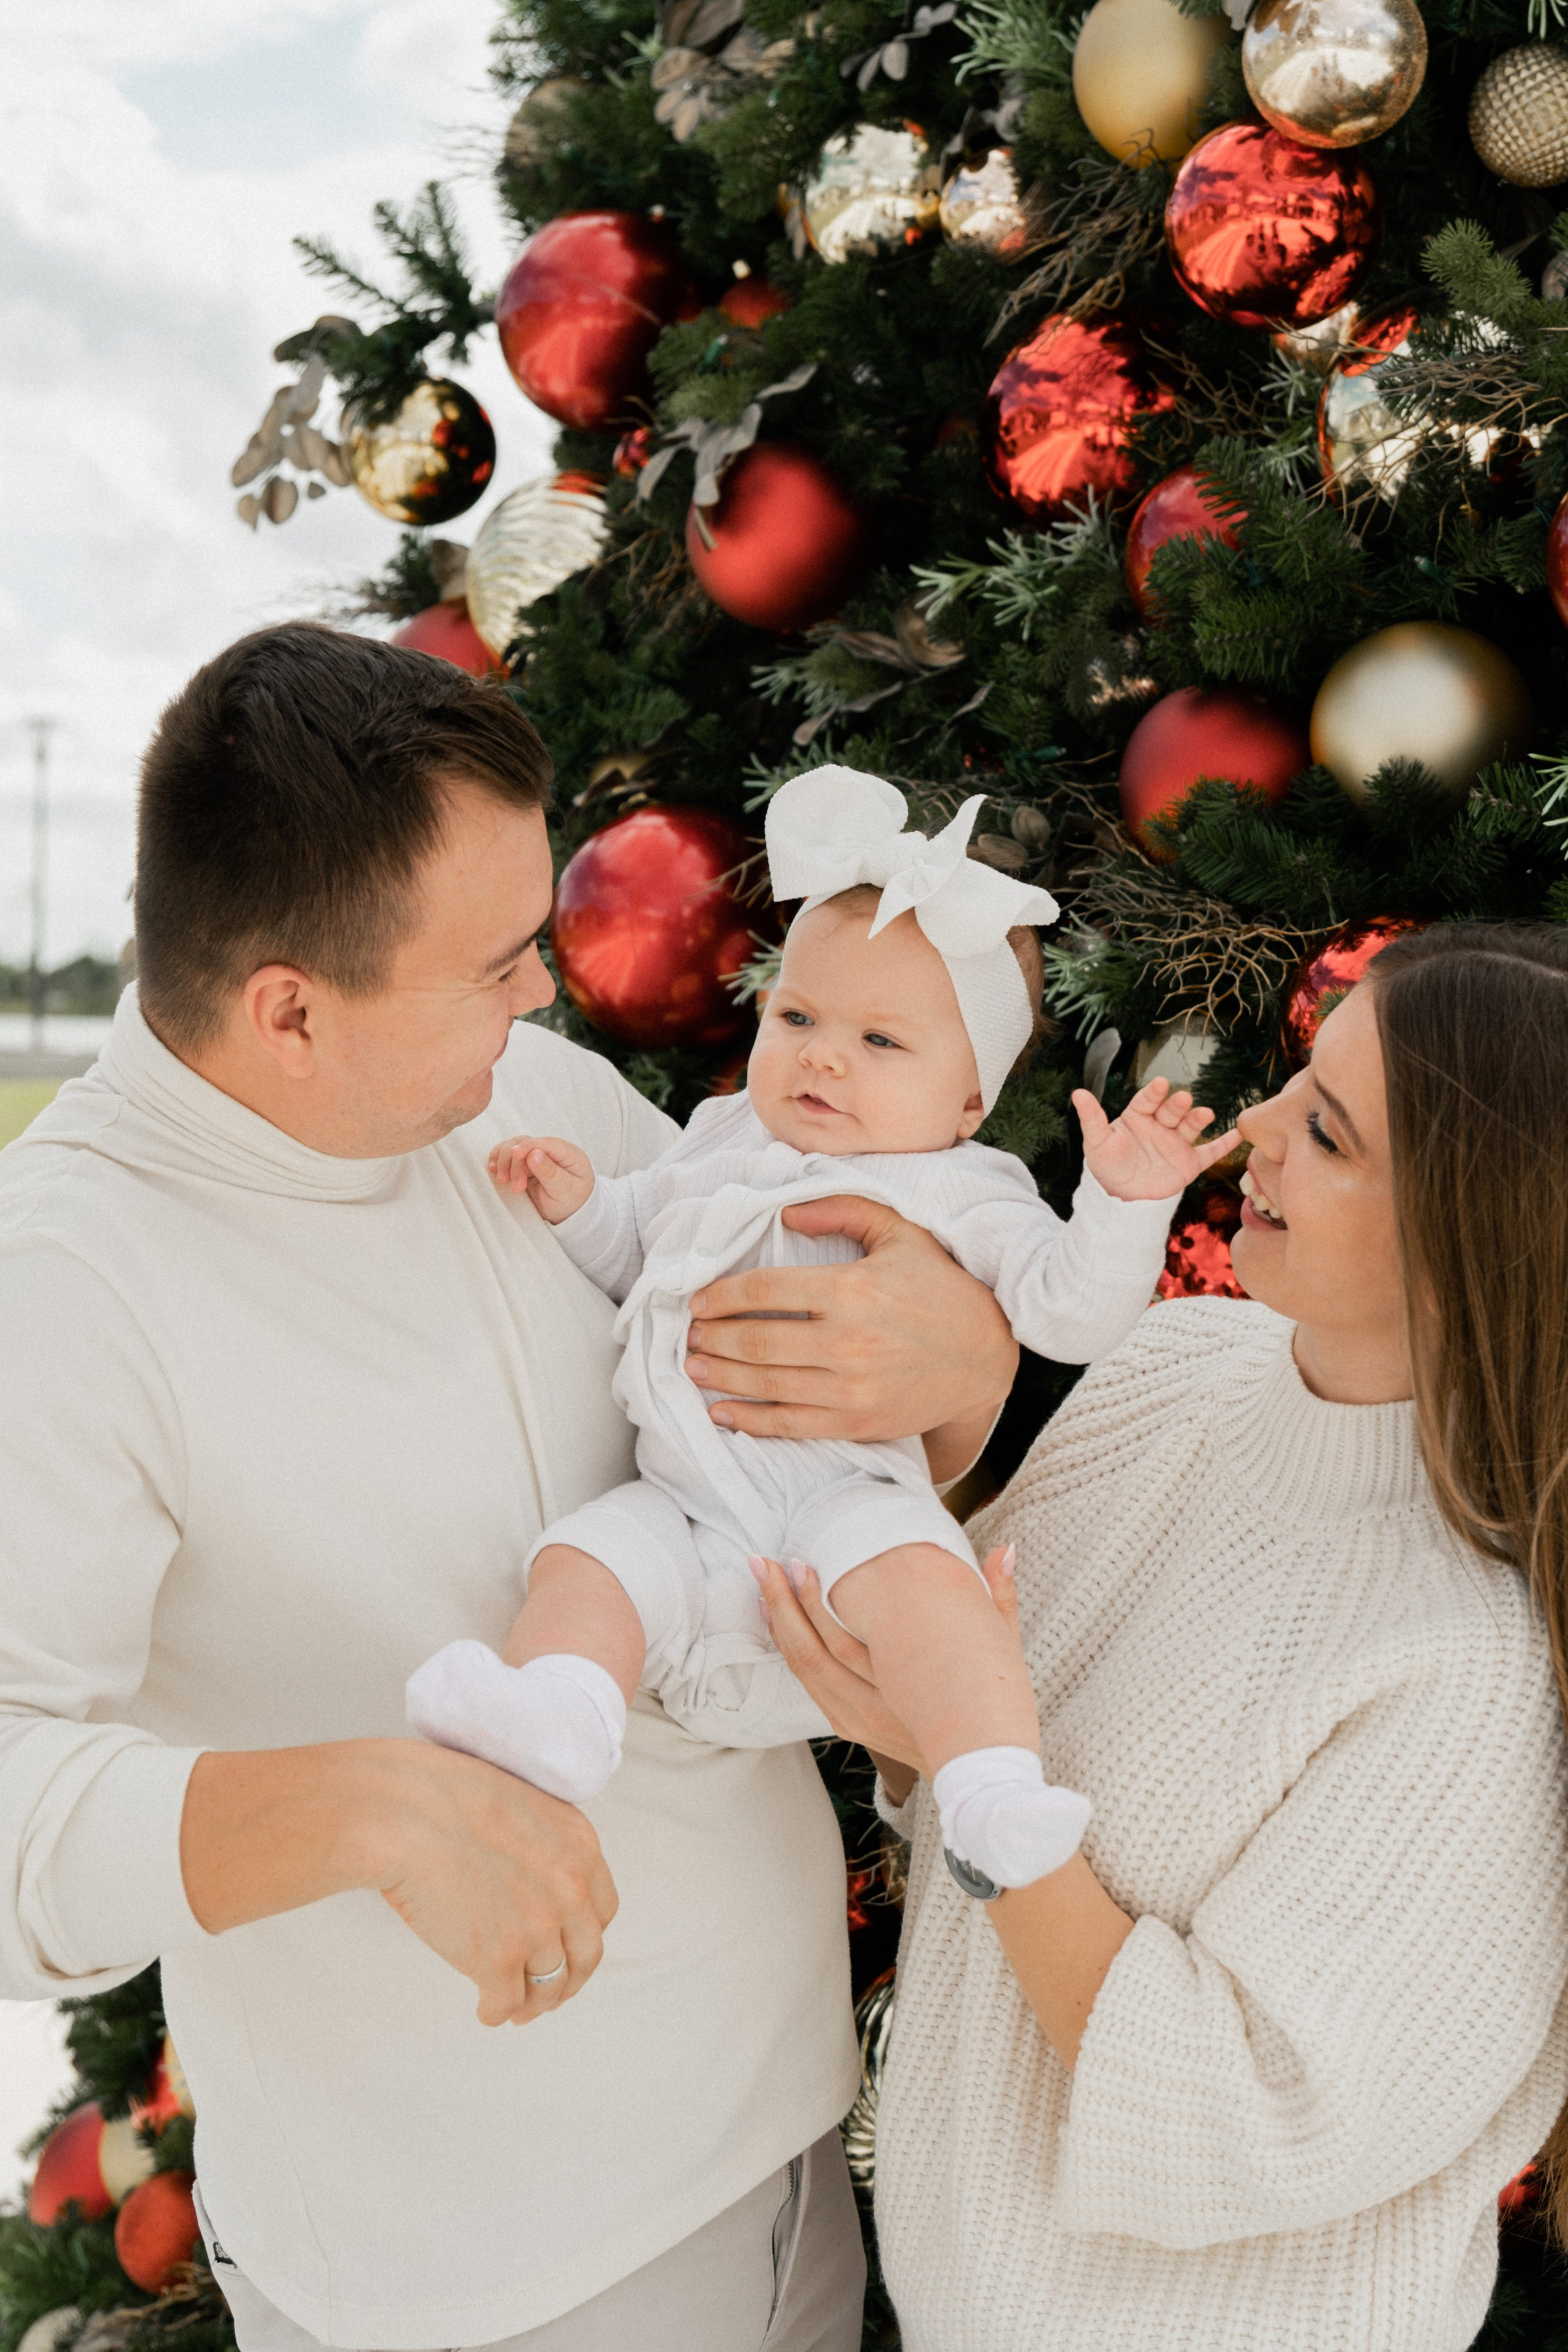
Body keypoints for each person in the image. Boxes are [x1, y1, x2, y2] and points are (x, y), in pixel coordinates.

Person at [0, 624, 1028, 2352]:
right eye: (494, 963)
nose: (546, 996)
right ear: (290, 1011)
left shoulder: (520, 1098)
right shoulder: (66, 1281)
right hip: (491, 2279)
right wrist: (373, 1810)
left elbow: (781, 1424)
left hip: (788, 2144)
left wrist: (957, 1376)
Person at [757, 922, 1568, 2352]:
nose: (1246, 1131)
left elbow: (1240, 2111)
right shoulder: (1176, 1363)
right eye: (1294, 1085)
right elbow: (985, 1754)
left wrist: (970, 1765)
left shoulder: (1467, 1674)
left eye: (1322, 1132)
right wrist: (923, 1743)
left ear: (1465, 1240)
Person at [409, 766, 1236, 1898]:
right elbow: (637, 1254)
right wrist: (582, 1203)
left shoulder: (963, 1186)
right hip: (687, 1510)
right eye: (798, 1017)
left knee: (938, 1593)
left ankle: (992, 1787)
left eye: (882, 1042)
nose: (823, 1056)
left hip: (846, 1505)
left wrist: (1128, 1206)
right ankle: (559, 1714)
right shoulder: (718, 1136)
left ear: (967, 1101)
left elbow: (1069, 1313)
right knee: (581, 1562)